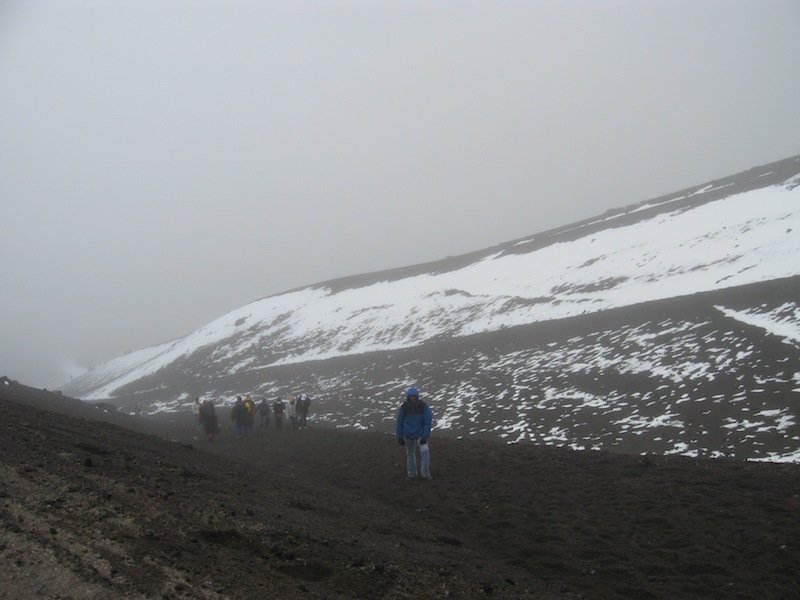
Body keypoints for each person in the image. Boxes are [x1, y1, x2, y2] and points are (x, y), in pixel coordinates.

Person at [395, 386, 432, 480]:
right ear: (408, 398)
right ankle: (411, 474)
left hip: (419, 433)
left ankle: (425, 474)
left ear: (417, 397)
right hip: (408, 434)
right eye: (411, 397)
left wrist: (424, 436)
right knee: (410, 453)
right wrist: (399, 436)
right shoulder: (404, 407)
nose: (413, 399)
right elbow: (400, 421)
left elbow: (427, 421)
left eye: (414, 397)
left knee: (425, 450)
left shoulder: (423, 406)